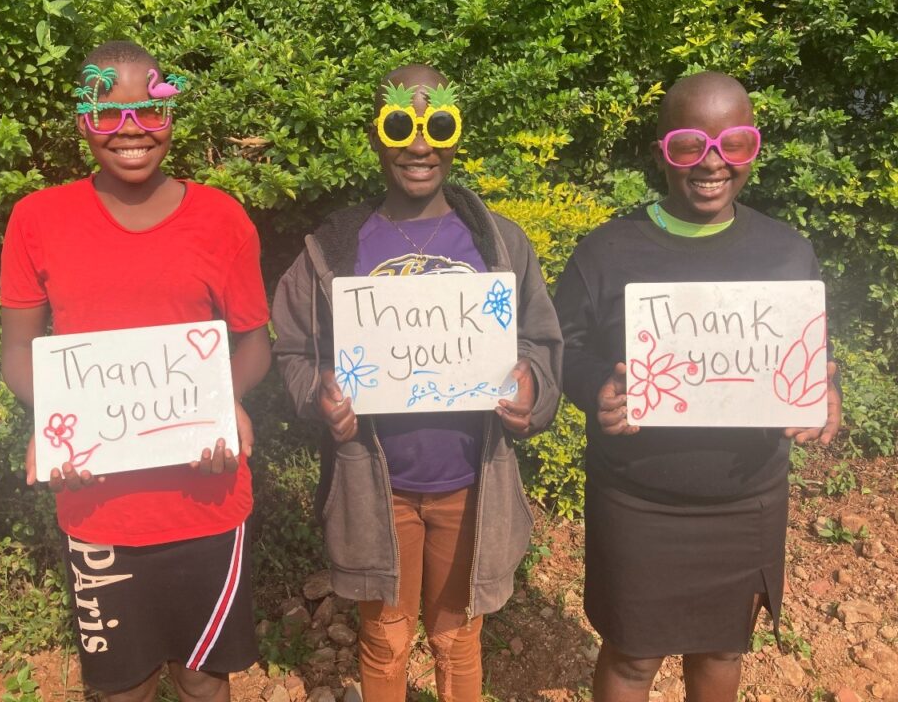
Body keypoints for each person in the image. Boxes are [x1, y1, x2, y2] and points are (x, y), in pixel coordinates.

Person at [271, 63, 563, 702]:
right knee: (385, 639)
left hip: (471, 484)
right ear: (377, 134)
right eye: (400, 123)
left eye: (438, 124)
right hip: (376, 490)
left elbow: (541, 344)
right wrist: (317, 393)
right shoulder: (333, 250)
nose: (419, 142)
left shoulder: (498, 245)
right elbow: (291, 348)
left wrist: (531, 390)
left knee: (457, 639)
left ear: (457, 133)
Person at [553, 71, 842, 701]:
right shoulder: (605, 253)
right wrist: (596, 387)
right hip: (636, 498)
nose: (712, 163)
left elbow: (811, 359)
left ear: (753, 149)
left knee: (721, 648)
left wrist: (825, 395)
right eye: (690, 145)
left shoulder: (786, 253)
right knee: (631, 655)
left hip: (747, 498)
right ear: (662, 149)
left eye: (734, 143)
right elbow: (561, 350)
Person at [0, 40, 270, 702]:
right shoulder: (37, 220)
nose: (130, 132)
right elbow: (17, 358)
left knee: (206, 683)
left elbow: (256, 346)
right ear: (80, 120)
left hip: (206, 500)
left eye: (149, 112)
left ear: (172, 116)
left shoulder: (221, 218)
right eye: (106, 113)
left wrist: (221, 405)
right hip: (98, 510)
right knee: (121, 690)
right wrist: (64, 428)